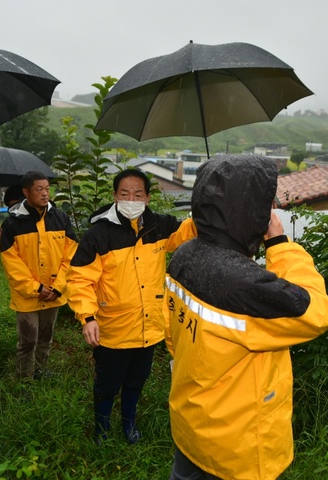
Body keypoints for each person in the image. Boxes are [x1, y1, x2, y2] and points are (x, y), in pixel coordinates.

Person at [164, 154, 328, 480]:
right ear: (254, 212)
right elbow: (318, 311)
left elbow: (172, 337)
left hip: (190, 423)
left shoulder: (184, 255)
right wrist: (279, 244)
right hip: (235, 447)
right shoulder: (244, 284)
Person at [67, 169, 196, 445]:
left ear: (148, 197)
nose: (131, 199)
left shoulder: (159, 226)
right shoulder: (98, 234)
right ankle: (101, 430)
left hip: (148, 326)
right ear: (114, 196)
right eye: (124, 194)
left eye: (138, 194)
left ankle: (129, 425)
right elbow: (79, 279)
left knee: (136, 382)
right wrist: (87, 317)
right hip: (112, 329)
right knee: (106, 385)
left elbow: (187, 233)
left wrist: (206, 214)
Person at [0, 171, 77, 380]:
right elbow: (11, 263)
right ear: (26, 192)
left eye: (47, 189)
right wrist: (36, 288)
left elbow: (71, 256)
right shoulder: (13, 224)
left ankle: (41, 372)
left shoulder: (60, 218)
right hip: (27, 295)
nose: (45, 194)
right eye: (39, 189)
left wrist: (58, 286)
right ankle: (24, 378)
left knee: (46, 337)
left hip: (54, 292)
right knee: (28, 341)